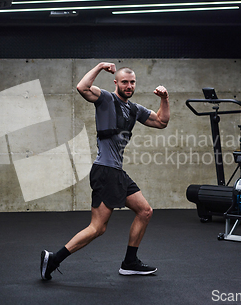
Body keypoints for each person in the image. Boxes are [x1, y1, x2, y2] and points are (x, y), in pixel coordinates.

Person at [41, 62, 170, 280]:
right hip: (105, 171)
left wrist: (164, 99)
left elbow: (161, 121)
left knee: (145, 211)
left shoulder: (134, 109)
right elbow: (82, 87)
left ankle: (130, 262)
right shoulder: (106, 99)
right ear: (116, 83)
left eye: (132, 82)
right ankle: (53, 260)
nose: (129, 86)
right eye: (124, 82)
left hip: (117, 172)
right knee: (97, 228)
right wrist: (100, 66)